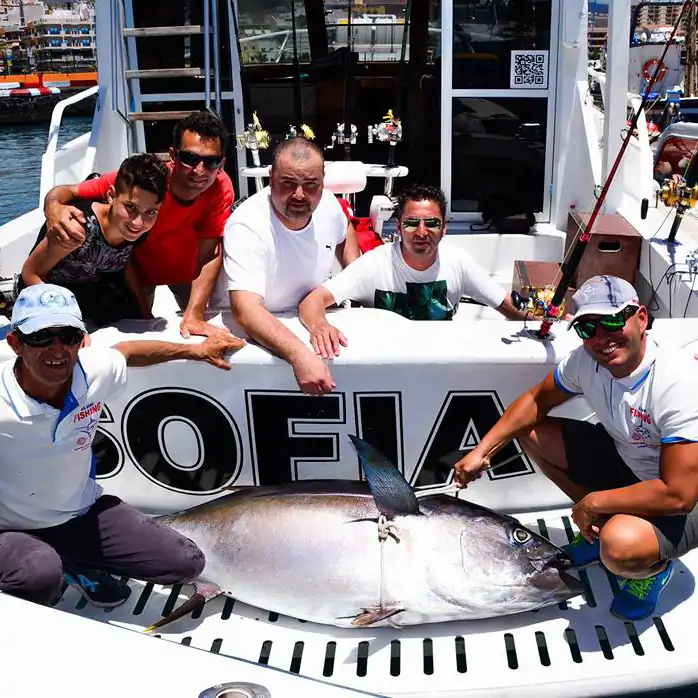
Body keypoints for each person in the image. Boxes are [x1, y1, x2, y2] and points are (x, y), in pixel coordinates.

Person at [453, 275, 698, 621]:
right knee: (530, 431)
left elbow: (679, 494)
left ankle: (653, 569)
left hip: (686, 499)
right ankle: (597, 528)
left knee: (620, 546)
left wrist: (594, 502)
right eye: (588, 329)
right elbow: (537, 399)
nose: (602, 338)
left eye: (613, 320)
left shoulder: (678, 382)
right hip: (629, 462)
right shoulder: (587, 360)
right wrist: (483, 450)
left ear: (641, 318)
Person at [0, 283, 246, 608]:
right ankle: (52, 566)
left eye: (69, 336)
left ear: (83, 340)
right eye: (41, 337)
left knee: (185, 562)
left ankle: (75, 562)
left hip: (80, 513)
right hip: (10, 528)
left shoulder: (93, 371)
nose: (57, 349)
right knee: (38, 577)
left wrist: (195, 351)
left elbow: (129, 352)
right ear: (16, 343)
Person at [41, 110, 235, 339]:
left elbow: (211, 250)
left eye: (212, 162)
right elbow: (67, 191)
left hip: (188, 275)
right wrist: (53, 208)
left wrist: (194, 313)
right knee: (136, 333)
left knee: (198, 332)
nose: (200, 170)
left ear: (222, 162)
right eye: (191, 159)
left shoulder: (221, 187)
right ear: (173, 155)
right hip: (137, 274)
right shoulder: (145, 182)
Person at [299, 184, 526, 359]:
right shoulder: (374, 265)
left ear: (444, 228)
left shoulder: (459, 262)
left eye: (432, 224)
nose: (421, 232)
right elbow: (313, 301)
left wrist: (549, 324)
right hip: (384, 362)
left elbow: (506, 305)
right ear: (398, 227)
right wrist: (320, 327)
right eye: (411, 223)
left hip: (442, 359)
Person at [223, 137, 360, 396]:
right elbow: (246, 311)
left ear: (322, 181)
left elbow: (345, 231)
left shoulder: (330, 205)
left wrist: (354, 275)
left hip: (312, 316)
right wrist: (301, 357)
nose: (299, 195)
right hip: (260, 329)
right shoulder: (246, 225)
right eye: (288, 183)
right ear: (271, 177)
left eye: (310, 185)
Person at [20, 153, 169, 327]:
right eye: (131, 207)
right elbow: (31, 273)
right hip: (50, 295)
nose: (138, 222)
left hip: (92, 294)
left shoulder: (136, 230)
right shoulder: (78, 227)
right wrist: (67, 322)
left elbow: (124, 262)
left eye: (150, 212)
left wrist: (145, 312)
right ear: (111, 196)